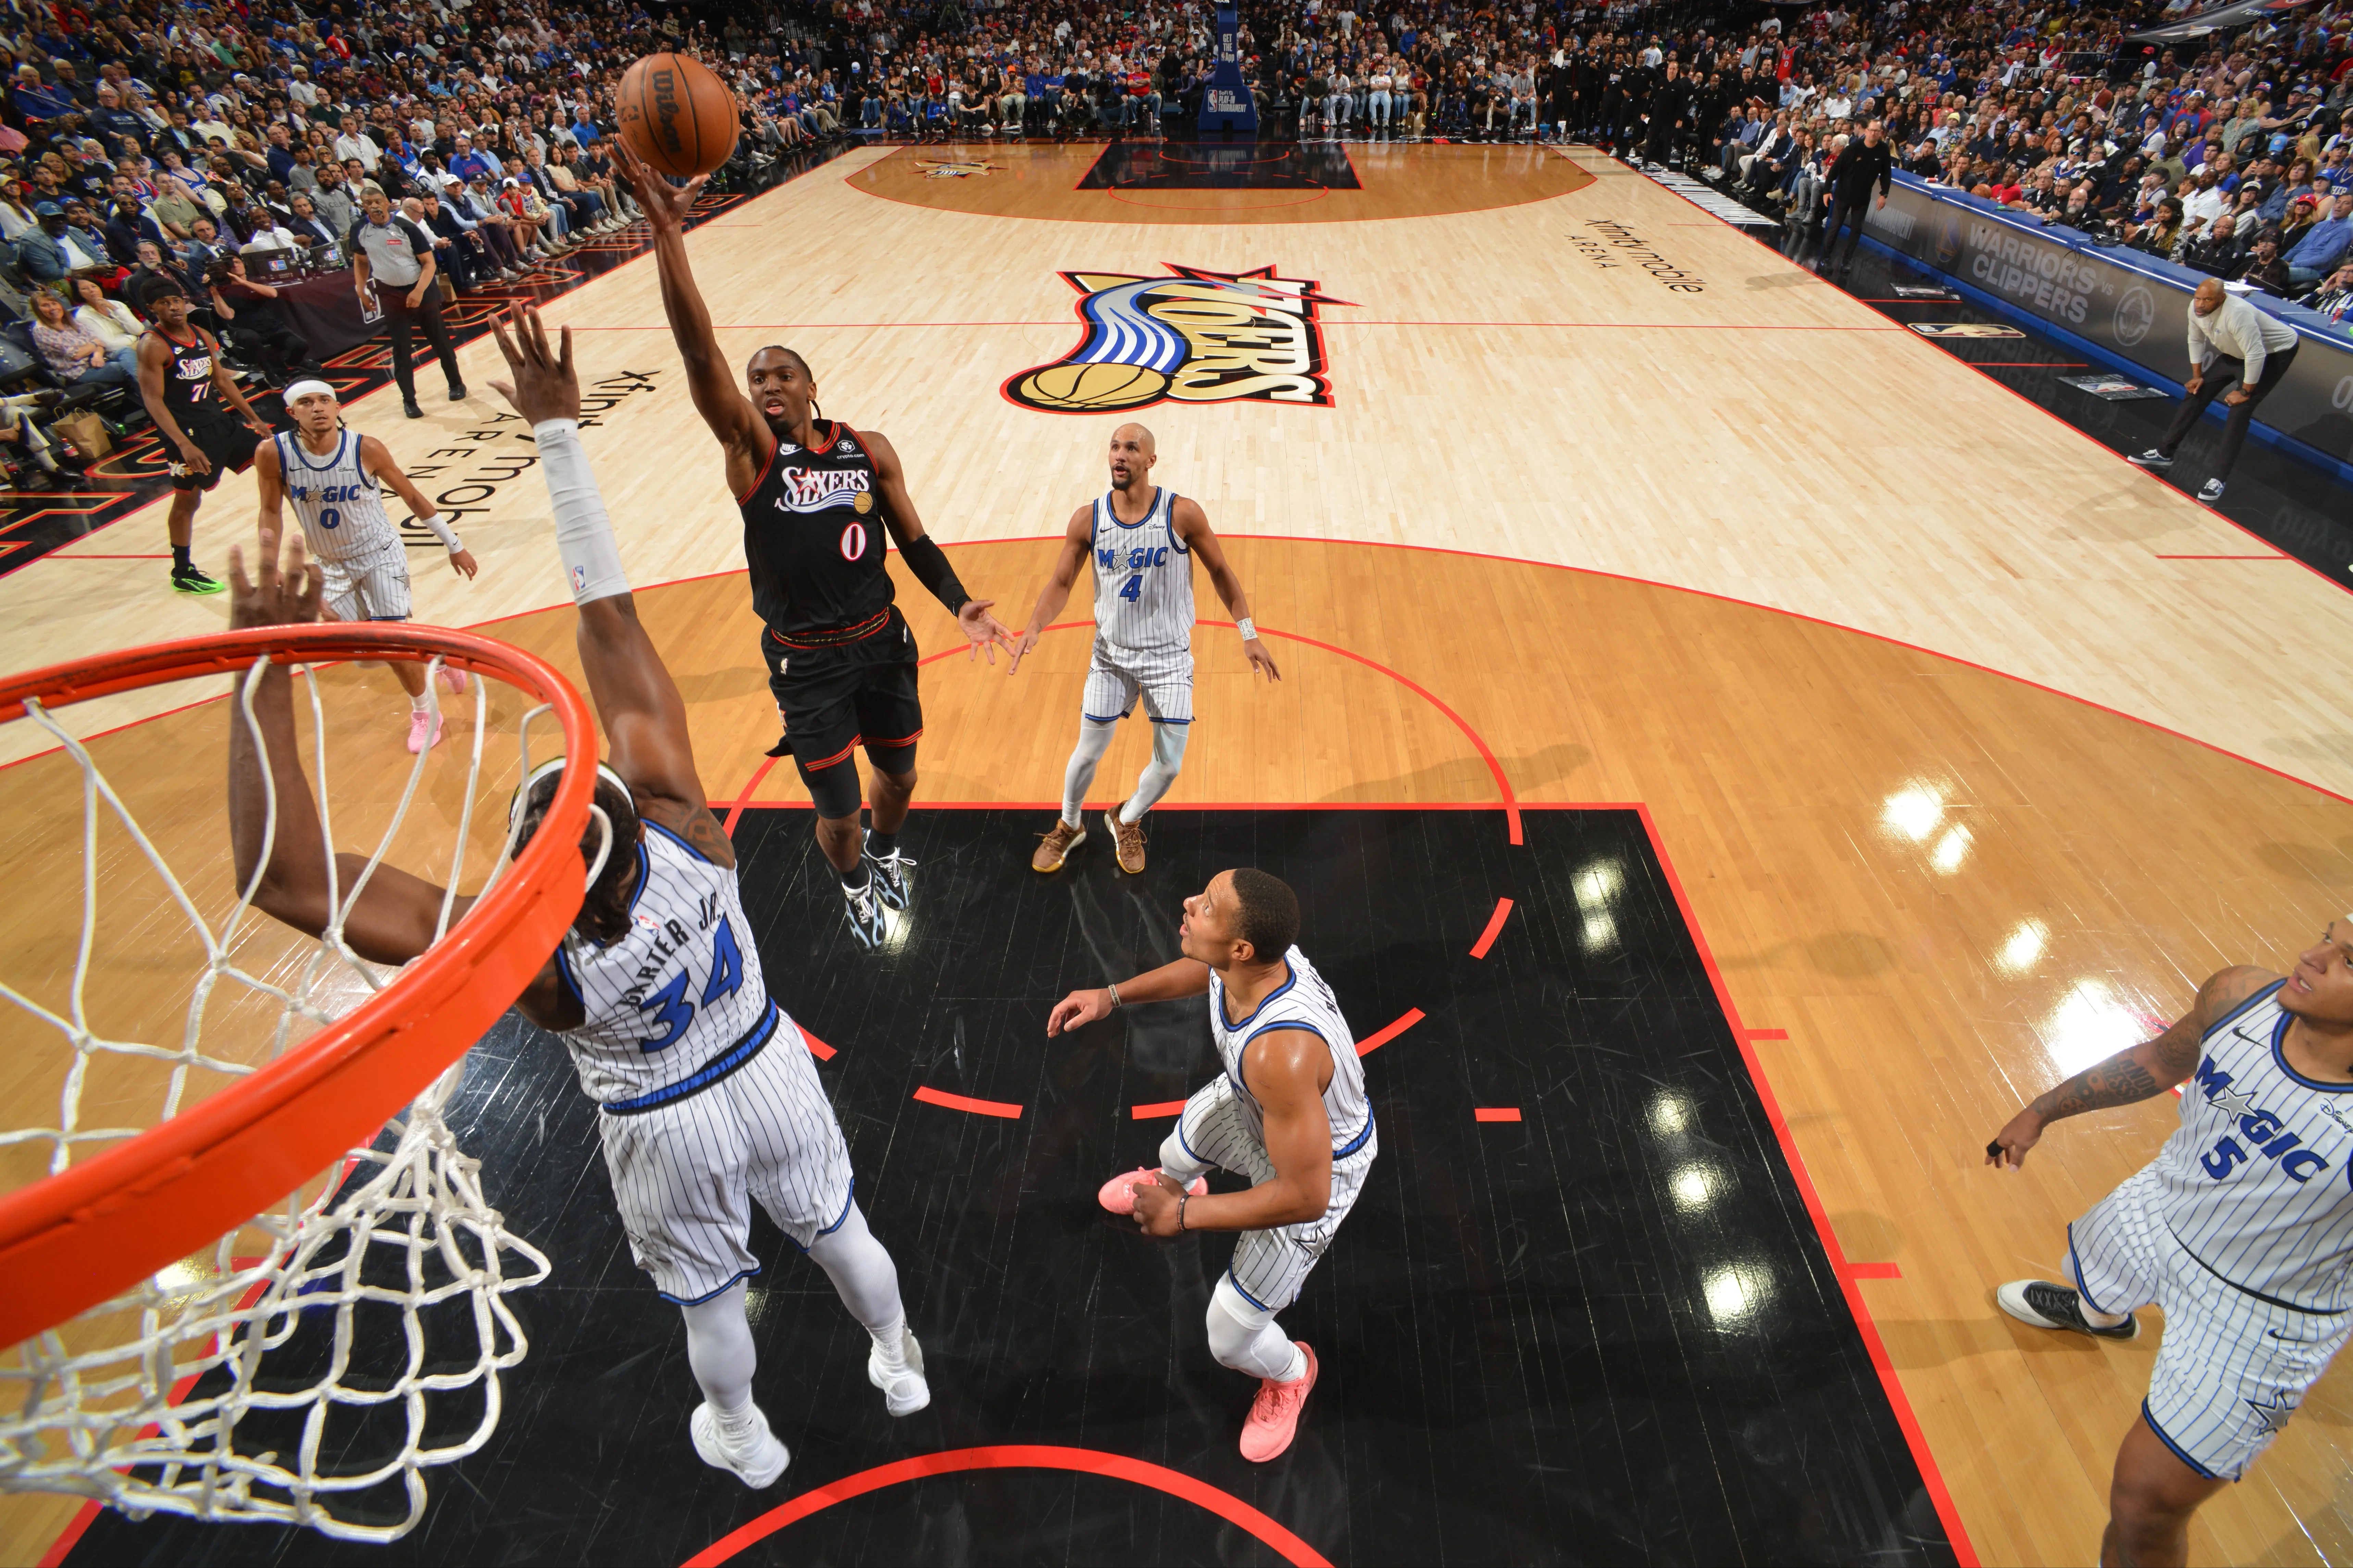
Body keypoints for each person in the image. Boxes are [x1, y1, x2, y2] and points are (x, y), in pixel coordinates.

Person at [222, 303, 932, 1494]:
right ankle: (898, 1360)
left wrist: (263, 662)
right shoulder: (687, 825)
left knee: (711, 1298)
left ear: (527, 861)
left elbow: (282, 878)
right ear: (621, 802)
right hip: (763, 1057)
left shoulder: (521, 942)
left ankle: (746, 1434)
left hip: (657, 1113)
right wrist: (558, 434)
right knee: (843, 1229)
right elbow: (611, 617)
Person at [615, 140, 1012, 949]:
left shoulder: (869, 448)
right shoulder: (752, 454)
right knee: (836, 815)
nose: (764, 386)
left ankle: (891, 853)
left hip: (882, 641)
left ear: (810, 386)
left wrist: (960, 601)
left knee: (898, 779)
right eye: (756, 378)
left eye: (779, 375)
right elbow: (699, 355)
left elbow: (915, 538)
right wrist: (668, 239)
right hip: (806, 664)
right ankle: (856, 882)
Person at [1985, 924, 2353, 1568]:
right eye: (2328, 937)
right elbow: (2158, 1061)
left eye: (2348, 960)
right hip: (2165, 1204)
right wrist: (2040, 1111)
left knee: (2144, 1506)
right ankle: (2103, 1314)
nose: (2312, 956)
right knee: (2091, 1267)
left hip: (2262, 1310)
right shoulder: (2241, 994)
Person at [1045, 867, 1373, 1463]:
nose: (1189, 902)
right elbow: (1206, 969)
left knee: (1228, 1333)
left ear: (1242, 947)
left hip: (1316, 1170)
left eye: (1208, 906)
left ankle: (1292, 1373)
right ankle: (1175, 1181)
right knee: (1177, 1149)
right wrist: (1111, 996)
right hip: (1260, 1107)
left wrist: (1186, 1214)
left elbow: (1306, 1194)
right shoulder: (1254, 959)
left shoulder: (1281, 1051)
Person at [1011, 424, 1280, 875]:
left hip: (1168, 656)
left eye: (1131, 448)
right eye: (1114, 447)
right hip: (1110, 655)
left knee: (1170, 765)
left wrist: (1248, 631)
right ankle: (1070, 825)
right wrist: (1035, 625)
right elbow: (1061, 582)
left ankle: (1126, 816)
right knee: (1087, 751)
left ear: (1149, 461)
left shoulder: (1182, 514)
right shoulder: (1088, 518)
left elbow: (1221, 571)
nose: (1119, 455)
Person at [253, 379, 476, 751]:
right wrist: (267, 562)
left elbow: (411, 495)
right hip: (331, 562)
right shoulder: (272, 453)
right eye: (307, 403)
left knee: (391, 641)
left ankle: (425, 713)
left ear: (339, 407)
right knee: (365, 657)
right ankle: (438, 656)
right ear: (292, 413)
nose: (318, 408)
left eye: (325, 400)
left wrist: (454, 544)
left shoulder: (365, 447)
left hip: (380, 553)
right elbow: (271, 509)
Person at [134, 274, 270, 596]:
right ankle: (182, 571)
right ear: (152, 309)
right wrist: (183, 444)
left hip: (219, 423)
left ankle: (317, 532)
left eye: (177, 300)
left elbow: (222, 381)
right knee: (187, 501)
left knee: (276, 461)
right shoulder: (152, 345)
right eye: (164, 304)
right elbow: (153, 400)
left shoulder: (202, 334)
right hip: (185, 436)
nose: (173, 307)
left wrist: (254, 419)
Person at [2127, 277, 2301, 503]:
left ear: (2222, 298)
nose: (2200, 304)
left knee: (2240, 411)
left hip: (2273, 353)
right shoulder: (2195, 309)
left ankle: (2218, 479)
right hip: (2238, 353)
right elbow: (2195, 339)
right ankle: (2164, 453)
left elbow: (2256, 354)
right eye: (2198, 298)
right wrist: (2197, 376)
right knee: (2196, 393)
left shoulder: (2237, 313)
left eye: (2207, 299)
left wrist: (2245, 392)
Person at [347, 184, 466, 419]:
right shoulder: (359, 228)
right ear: (363, 206)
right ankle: (409, 400)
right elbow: (361, 261)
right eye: (368, 202)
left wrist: (419, 291)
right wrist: (361, 290)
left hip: (419, 286)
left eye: (377, 201)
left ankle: (456, 383)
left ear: (386, 203)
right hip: (389, 291)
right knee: (401, 348)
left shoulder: (407, 228)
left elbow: (429, 263)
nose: (373, 206)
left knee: (439, 339)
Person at [1818, 118, 1894, 274]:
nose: (1873, 133)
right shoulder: (1853, 148)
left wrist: (1883, 194)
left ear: (1881, 134)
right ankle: (1825, 258)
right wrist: (1827, 191)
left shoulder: (1883, 150)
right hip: (1843, 194)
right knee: (1835, 227)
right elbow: (1835, 170)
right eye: (1871, 130)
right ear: (1866, 132)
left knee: (1856, 230)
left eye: (1877, 131)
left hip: (1863, 196)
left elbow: (1887, 173)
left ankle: (1847, 260)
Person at [27, 286, 137, 389]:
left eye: (54, 304)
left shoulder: (69, 322)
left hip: (99, 360)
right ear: (38, 310)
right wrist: (94, 344)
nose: (52, 308)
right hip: (81, 371)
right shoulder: (42, 330)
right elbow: (76, 355)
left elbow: (101, 343)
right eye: (45, 306)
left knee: (126, 351)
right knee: (131, 368)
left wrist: (98, 355)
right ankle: (151, 397)